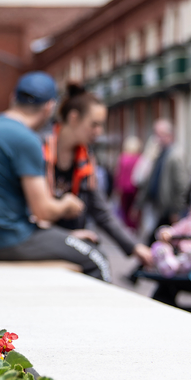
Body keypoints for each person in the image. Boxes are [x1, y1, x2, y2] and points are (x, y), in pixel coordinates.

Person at [0, 72, 115, 281]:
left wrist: (62, 238)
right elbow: (43, 210)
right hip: (8, 241)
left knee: (77, 246)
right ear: (49, 107)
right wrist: (67, 205)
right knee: (96, 258)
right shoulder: (25, 139)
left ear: (13, 98)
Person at [42, 84, 152, 266]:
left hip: (72, 238)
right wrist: (65, 235)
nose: (99, 132)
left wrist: (134, 246)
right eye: (94, 124)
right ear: (73, 118)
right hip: (43, 236)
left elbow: (100, 209)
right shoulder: (39, 149)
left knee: (98, 257)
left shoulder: (85, 158)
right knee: (98, 262)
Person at [135, 119, 190, 243]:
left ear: (170, 135)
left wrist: (176, 210)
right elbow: (149, 179)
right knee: (155, 237)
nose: (157, 138)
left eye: (160, 135)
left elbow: (182, 185)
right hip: (158, 206)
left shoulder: (176, 155)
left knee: (158, 239)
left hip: (169, 209)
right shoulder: (160, 153)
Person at [115, 136, 142, 231]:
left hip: (124, 189)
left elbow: (118, 174)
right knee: (134, 211)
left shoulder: (122, 158)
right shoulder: (139, 158)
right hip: (135, 189)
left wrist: (117, 188)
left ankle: (127, 229)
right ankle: (133, 229)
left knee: (125, 212)